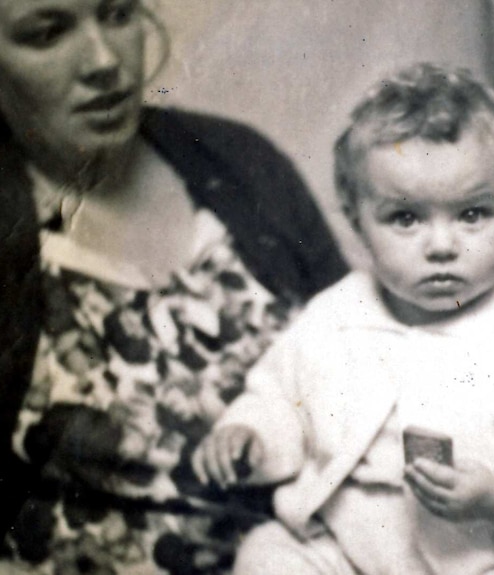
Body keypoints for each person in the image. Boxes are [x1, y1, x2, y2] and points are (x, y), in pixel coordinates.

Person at [193, 63, 494, 575]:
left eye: (473, 214)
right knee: (266, 555)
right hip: (348, 544)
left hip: (481, 554)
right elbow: (282, 395)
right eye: (405, 218)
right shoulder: (336, 315)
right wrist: (250, 435)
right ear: (356, 219)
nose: (441, 246)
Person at [0, 0, 347, 573]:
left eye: (116, 14)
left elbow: (374, 353)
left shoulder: (241, 162)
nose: (104, 60)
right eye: (48, 33)